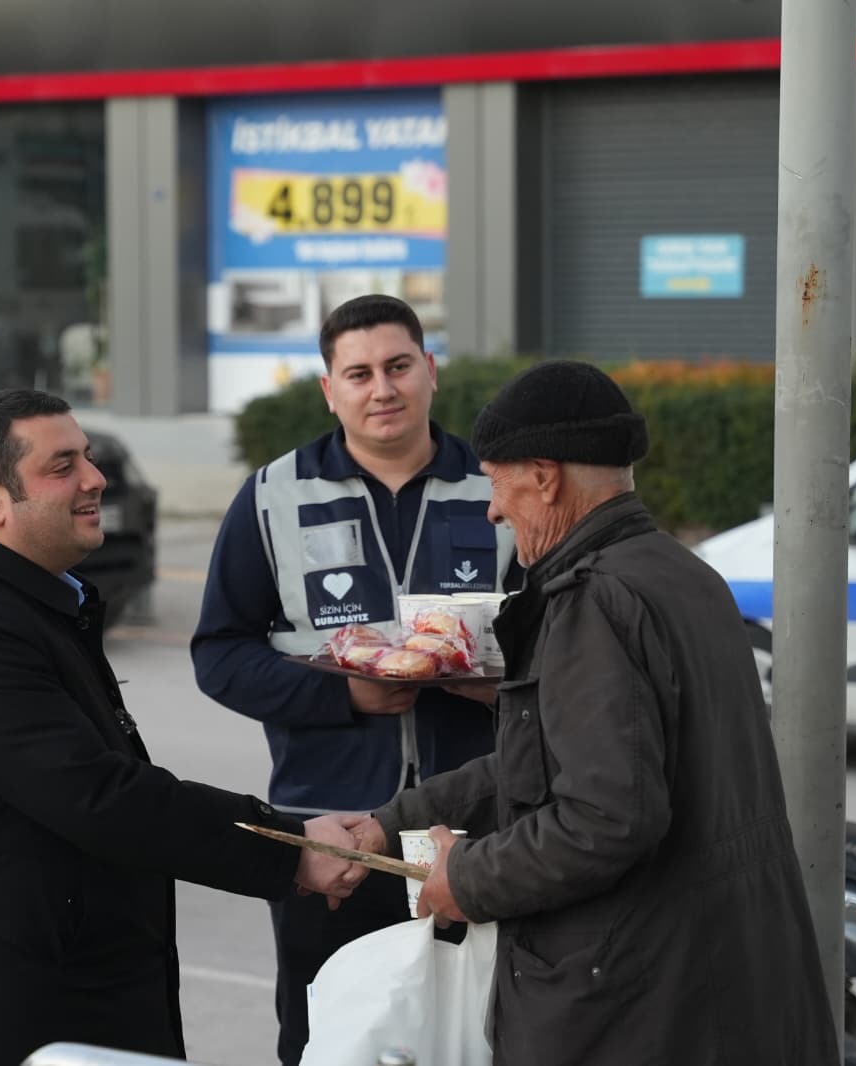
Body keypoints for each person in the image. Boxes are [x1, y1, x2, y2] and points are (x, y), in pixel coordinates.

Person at [341, 360, 838, 1064]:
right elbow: (549, 757)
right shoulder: (682, 572)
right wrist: (394, 822)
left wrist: (467, 879)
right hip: (723, 983)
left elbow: (604, 818)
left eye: (496, 480)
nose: (492, 508)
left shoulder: (595, 600)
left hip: (639, 1004)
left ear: (543, 476)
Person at [0, 389, 367, 1066]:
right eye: (62, 466)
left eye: (88, 458)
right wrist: (287, 848)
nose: (95, 478)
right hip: (14, 1024)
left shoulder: (29, 605)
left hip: (68, 1002)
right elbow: (101, 797)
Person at [191, 293, 513, 1065]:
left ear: (429, 372)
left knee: (481, 1032)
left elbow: (565, 649)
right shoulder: (274, 494)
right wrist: (343, 694)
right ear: (328, 389)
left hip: (478, 823)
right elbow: (219, 653)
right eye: (359, 373)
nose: (383, 389)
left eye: (399, 366)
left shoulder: (496, 488)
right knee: (327, 1037)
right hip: (329, 827)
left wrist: (495, 685)